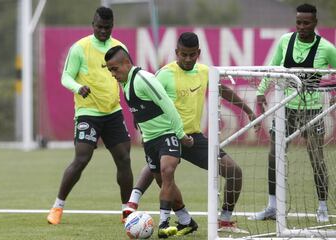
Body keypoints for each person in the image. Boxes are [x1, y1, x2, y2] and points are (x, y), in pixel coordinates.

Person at [122, 32, 259, 233]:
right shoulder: (164, 74)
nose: (187, 59)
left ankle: (225, 219)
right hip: (167, 135)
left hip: (193, 138)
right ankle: (136, 203)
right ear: (176, 52)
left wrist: (247, 110)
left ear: (198, 53)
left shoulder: (205, 72)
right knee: (161, 173)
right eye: (183, 54)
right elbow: (147, 97)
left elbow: (223, 90)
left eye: (192, 55)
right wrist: (139, 120)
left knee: (234, 172)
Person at [46, 6, 133, 225]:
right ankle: (58, 206)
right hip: (88, 113)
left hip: (113, 112)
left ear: (112, 26)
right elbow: (66, 76)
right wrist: (78, 87)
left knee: (124, 159)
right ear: (92, 25)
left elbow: (127, 78)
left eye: (107, 27)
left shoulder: (120, 48)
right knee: (82, 157)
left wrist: (135, 106)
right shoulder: (80, 48)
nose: (103, 31)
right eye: (99, 27)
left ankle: (127, 212)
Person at [252, 3, 336, 222]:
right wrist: (261, 93)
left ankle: (322, 207)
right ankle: (272, 207)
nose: (301, 26)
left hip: (313, 112)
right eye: (298, 22)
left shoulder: (327, 49)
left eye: (306, 23)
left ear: (315, 23)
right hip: (285, 109)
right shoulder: (285, 41)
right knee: (274, 156)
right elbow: (273, 67)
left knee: (316, 158)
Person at [105, 45, 198, 238]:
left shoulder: (143, 79)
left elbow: (167, 103)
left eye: (115, 69)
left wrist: (180, 134)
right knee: (161, 180)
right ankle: (186, 220)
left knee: (167, 172)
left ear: (127, 63)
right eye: (110, 70)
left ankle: (164, 223)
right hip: (150, 140)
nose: (113, 74)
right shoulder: (125, 82)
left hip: (168, 133)